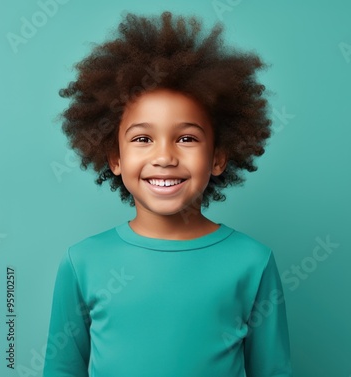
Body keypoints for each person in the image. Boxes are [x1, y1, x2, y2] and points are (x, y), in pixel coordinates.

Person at [42, 10, 293, 377]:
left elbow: (273, 371)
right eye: (143, 139)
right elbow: (62, 370)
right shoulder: (82, 262)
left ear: (219, 157)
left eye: (187, 138)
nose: (164, 157)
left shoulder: (253, 262)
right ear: (114, 157)